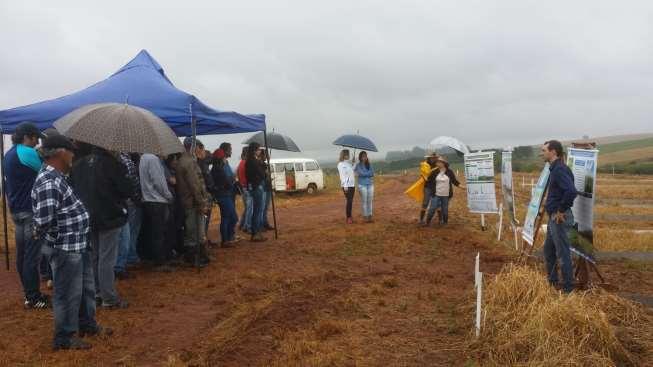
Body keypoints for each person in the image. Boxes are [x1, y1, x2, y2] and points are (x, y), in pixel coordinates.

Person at [33, 134, 111, 350]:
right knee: (67, 293)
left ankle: (87, 324)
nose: (74, 155)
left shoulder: (58, 176)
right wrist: (58, 241)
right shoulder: (49, 181)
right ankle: (64, 337)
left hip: (77, 244)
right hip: (66, 248)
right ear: (60, 152)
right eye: (71, 151)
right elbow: (44, 221)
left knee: (85, 289)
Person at [71, 146, 132, 309]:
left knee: (95, 257)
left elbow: (73, 189)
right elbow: (127, 190)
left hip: (87, 216)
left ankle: (96, 293)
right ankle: (109, 298)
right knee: (106, 258)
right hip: (110, 217)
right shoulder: (113, 164)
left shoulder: (79, 164)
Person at [3, 122, 50, 309]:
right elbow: (45, 171)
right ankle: (33, 297)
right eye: (35, 138)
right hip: (30, 210)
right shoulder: (27, 152)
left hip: (16, 210)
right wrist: (43, 154)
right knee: (31, 256)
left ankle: (29, 294)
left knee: (22, 255)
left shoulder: (9, 154)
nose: (37, 141)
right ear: (27, 137)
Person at [541, 140, 577, 293]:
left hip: (559, 218)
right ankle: (552, 283)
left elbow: (571, 191)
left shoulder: (559, 169)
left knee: (563, 254)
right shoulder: (555, 168)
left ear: (553, 151)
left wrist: (561, 210)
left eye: (544, 150)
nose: (542, 153)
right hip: (553, 218)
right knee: (548, 251)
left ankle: (568, 289)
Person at [176, 138, 211, 266]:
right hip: (192, 202)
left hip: (191, 201)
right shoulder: (188, 162)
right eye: (197, 147)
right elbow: (195, 185)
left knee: (197, 230)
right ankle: (193, 258)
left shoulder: (187, 161)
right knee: (194, 231)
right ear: (191, 147)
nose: (199, 149)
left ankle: (200, 255)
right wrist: (202, 202)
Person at [139, 153, 174, 271]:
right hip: (158, 201)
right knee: (160, 233)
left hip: (147, 199)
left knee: (153, 232)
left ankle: (154, 258)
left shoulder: (143, 157)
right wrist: (169, 195)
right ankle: (160, 261)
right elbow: (158, 181)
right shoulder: (153, 159)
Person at [114, 152, 141, 279]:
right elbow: (132, 182)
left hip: (115, 203)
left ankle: (121, 263)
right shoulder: (125, 161)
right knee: (127, 233)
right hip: (126, 202)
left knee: (120, 236)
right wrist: (137, 198)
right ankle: (122, 264)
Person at [211, 148, 239, 247]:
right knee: (229, 217)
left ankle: (227, 238)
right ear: (221, 158)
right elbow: (227, 183)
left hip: (222, 195)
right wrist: (232, 180)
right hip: (224, 195)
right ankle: (226, 240)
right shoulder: (219, 169)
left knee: (228, 217)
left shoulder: (216, 168)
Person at [424, 157, 464, 225]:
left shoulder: (449, 172)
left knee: (445, 210)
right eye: (437, 162)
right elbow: (428, 182)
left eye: (439, 162)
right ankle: (427, 222)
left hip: (446, 195)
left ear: (443, 163)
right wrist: (427, 190)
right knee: (432, 208)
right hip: (436, 194)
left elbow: (454, 181)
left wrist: (462, 187)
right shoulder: (434, 172)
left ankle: (445, 223)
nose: (437, 163)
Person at [245, 143, 267, 242]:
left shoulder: (251, 160)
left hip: (255, 186)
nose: (260, 151)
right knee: (258, 211)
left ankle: (256, 232)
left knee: (257, 210)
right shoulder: (253, 161)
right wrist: (263, 167)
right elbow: (261, 174)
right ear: (254, 150)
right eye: (258, 149)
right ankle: (255, 233)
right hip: (256, 186)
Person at [354, 151, 375, 223]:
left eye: (365, 156)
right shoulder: (358, 165)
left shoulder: (369, 164)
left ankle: (370, 216)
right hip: (362, 185)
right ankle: (365, 217)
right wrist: (367, 174)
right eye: (363, 156)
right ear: (360, 157)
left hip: (370, 184)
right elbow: (361, 173)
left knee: (370, 201)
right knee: (364, 201)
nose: (364, 157)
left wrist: (364, 174)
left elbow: (372, 173)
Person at [418, 153, 439, 224]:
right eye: (432, 158)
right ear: (429, 158)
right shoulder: (425, 165)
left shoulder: (438, 165)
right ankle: (421, 220)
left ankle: (440, 220)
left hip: (437, 187)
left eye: (434, 158)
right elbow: (424, 176)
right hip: (428, 187)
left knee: (438, 204)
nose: (433, 159)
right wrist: (423, 175)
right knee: (425, 203)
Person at [237, 147, 253, 234]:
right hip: (247, 187)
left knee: (247, 208)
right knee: (250, 208)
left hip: (243, 187)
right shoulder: (246, 163)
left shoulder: (240, 163)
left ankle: (242, 224)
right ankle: (247, 226)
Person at [337, 149, 355, 224]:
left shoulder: (348, 164)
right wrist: (345, 186)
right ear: (344, 155)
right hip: (346, 186)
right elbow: (343, 176)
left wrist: (354, 163)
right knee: (349, 201)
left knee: (350, 201)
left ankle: (350, 216)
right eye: (347, 154)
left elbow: (352, 170)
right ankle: (348, 217)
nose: (348, 156)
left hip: (352, 185)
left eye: (348, 154)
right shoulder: (340, 164)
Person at [259, 148, 274, 230]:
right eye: (266, 154)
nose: (267, 156)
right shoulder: (259, 164)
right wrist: (266, 174)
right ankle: (261, 224)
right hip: (263, 188)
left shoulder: (265, 164)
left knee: (266, 207)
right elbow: (262, 177)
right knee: (262, 208)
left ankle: (265, 223)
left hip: (268, 187)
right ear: (262, 155)